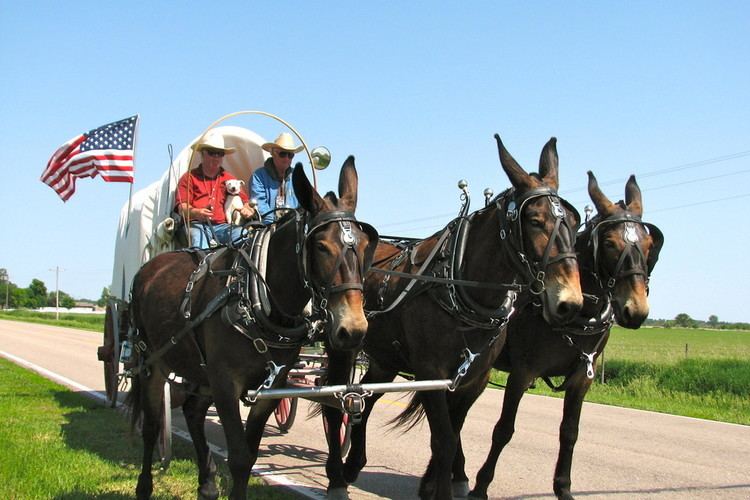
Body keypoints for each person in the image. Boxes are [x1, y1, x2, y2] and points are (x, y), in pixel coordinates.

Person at [175, 130, 255, 248]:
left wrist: (248, 209)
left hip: (223, 226)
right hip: (197, 225)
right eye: (212, 152)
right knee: (199, 243)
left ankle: (241, 267)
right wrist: (195, 212)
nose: (216, 157)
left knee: (243, 236)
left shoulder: (229, 179)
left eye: (220, 153)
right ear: (202, 154)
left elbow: (245, 202)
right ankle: (202, 266)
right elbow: (181, 207)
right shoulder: (189, 178)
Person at [249, 132, 303, 224]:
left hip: (294, 226)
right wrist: (275, 224)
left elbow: (303, 203)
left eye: (290, 155)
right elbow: (260, 204)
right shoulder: (258, 176)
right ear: (273, 153)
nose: (287, 159)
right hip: (267, 225)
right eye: (283, 154)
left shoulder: (298, 177)